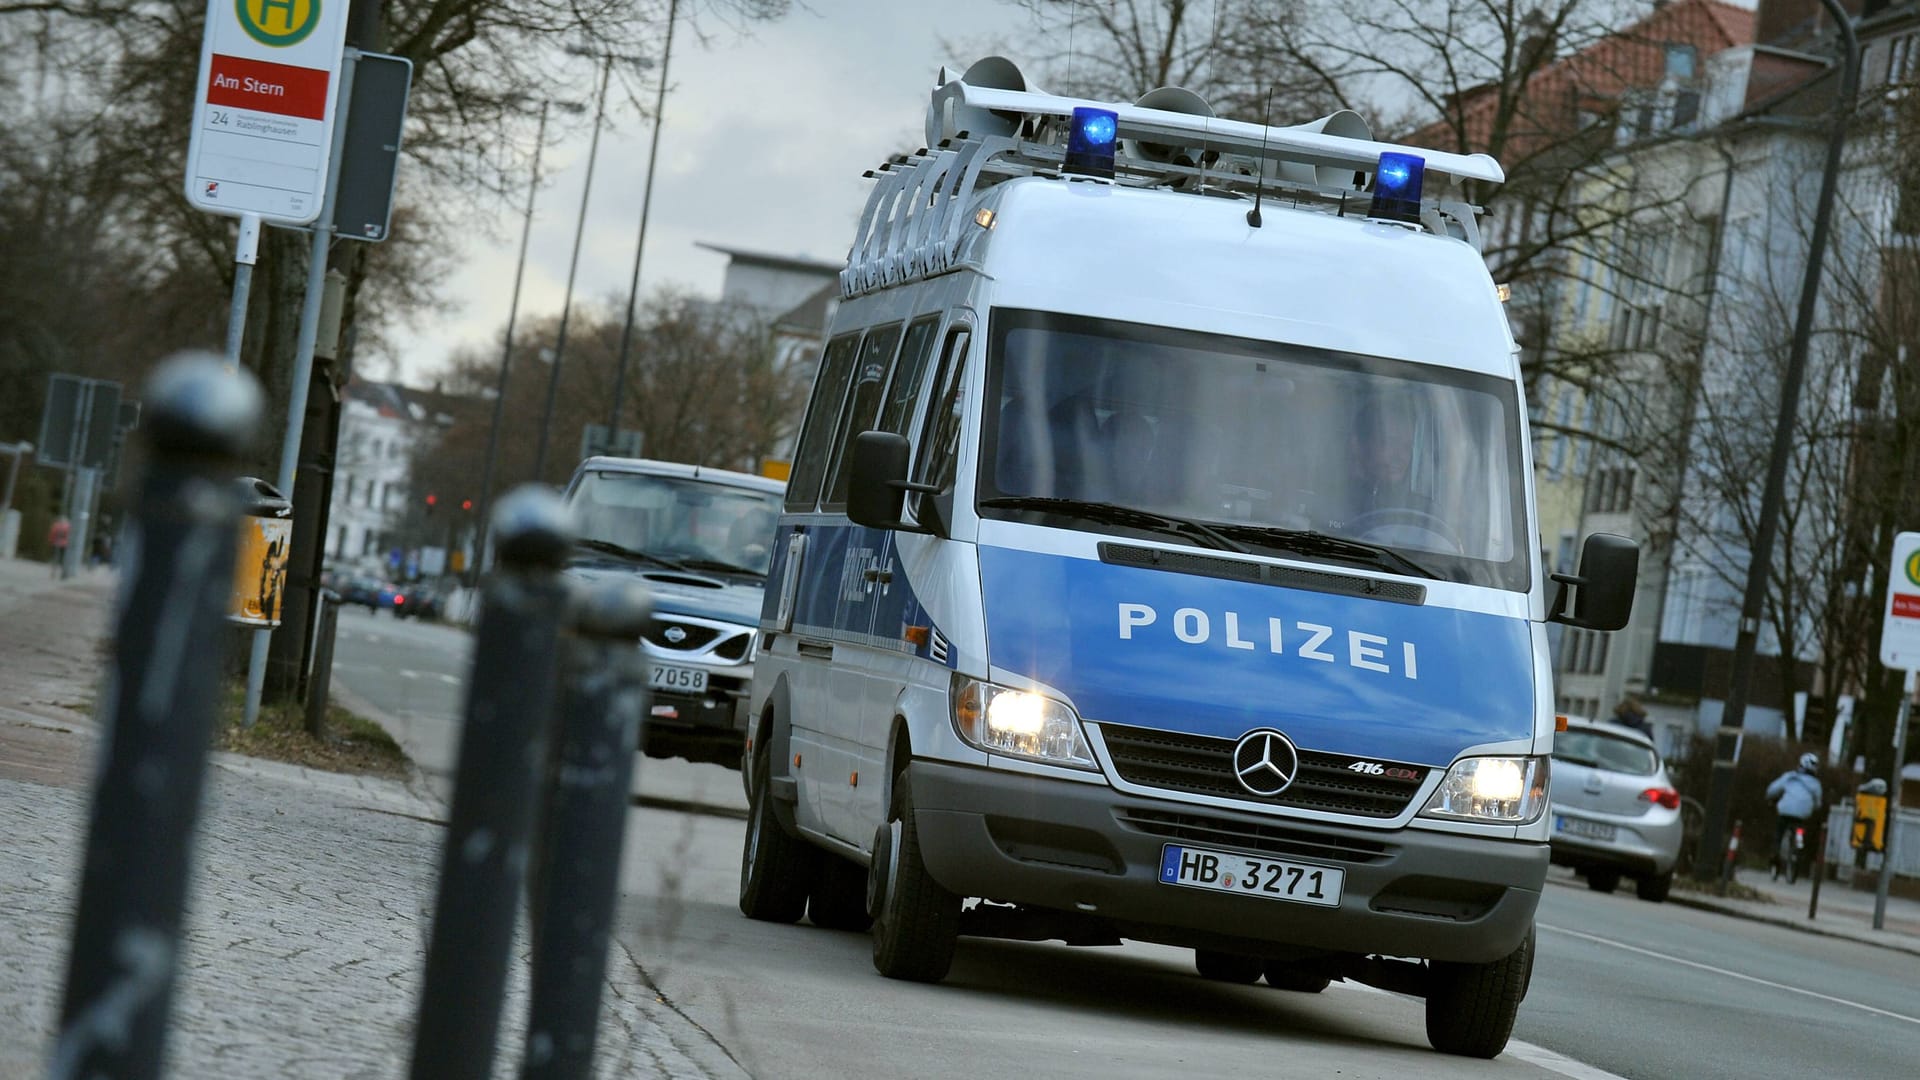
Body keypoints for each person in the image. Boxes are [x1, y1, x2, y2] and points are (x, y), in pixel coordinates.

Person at [1766, 752, 1824, 874]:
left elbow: (1773, 789)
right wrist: (1814, 808)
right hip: (1802, 815)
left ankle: (1775, 854)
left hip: (1785, 811)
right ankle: (1798, 847)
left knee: (1779, 833)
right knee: (1799, 829)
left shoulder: (1790, 777)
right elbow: (1818, 803)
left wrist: (1770, 798)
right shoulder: (1816, 784)